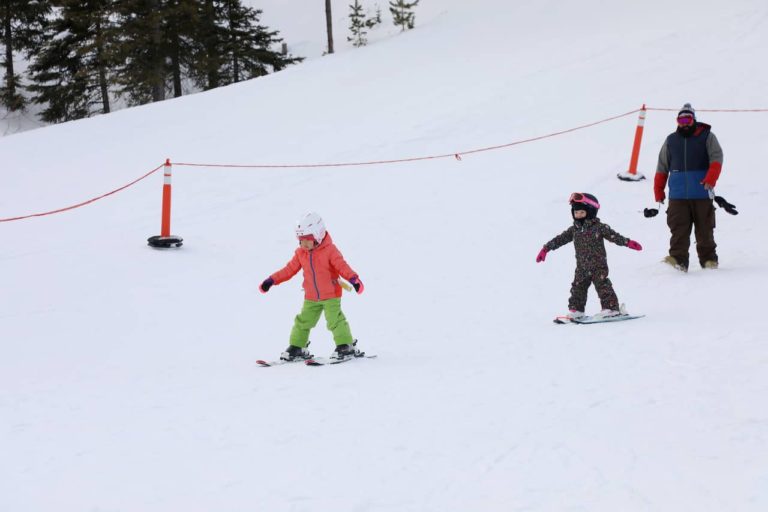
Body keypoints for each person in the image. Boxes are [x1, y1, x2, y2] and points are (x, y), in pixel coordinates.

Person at [259, 212, 365, 361]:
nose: (304, 244)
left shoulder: (330, 251)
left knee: (335, 320)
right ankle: (297, 347)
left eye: (307, 239)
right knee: (302, 321)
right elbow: (289, 270)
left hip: (331, 295)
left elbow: (342, 266)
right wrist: (271, 280)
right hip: (311, 297)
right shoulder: (300, 253)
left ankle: (345, 345)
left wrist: (354, 279)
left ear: (318, 235)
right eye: (300, 240)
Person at [536, 193, 643, 320]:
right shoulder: (574, 229)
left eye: (582, 212)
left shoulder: (599, 227)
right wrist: (546, 248)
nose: (578, 215)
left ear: (591, 212)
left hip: (598, 265)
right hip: (581, 266)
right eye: (576, 213)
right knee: (577, 287)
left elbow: (614, 236)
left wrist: (628, 242)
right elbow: (560, 239)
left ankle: (611, 309)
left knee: (602, 285)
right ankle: (577, 310)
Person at [654, 103, 723, 272]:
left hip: (701, 192)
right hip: (677, 195)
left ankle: (708, 260)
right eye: (681, 119)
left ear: (693, 119)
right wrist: (658, 190)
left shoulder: (707, 136)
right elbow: (662, 166)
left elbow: (717, 158)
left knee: (705, 229)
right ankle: (678, 259)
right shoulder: (671, 140)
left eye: (687, 119)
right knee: (678, 229)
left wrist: (711, 178)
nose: (684, 122)